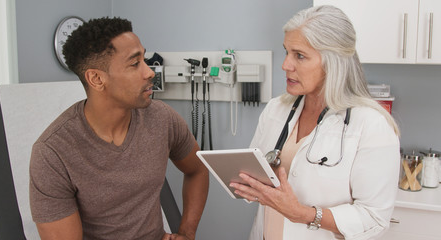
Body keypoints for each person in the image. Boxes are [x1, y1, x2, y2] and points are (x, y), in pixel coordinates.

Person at [29, 17, 209, 240]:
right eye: (135, 64)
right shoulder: (52, 153)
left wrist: (186, 233)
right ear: (96, 79)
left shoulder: (162, 118)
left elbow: (198, 169)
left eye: (145, 58)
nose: (150, 72)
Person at [230, 5, 400, 240]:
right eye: (286, 52)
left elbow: (374, 219)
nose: (285, 65)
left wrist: (302, 214)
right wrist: (249, 184)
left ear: (333, 63)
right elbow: (257, 174)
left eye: (299, 55)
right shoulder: (275, 110)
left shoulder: (371, 126)